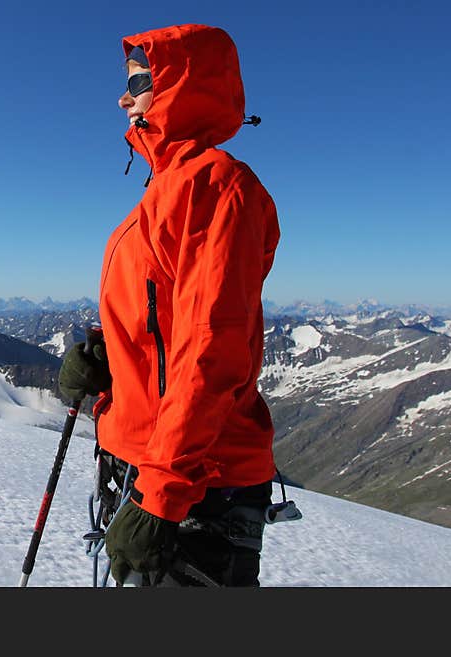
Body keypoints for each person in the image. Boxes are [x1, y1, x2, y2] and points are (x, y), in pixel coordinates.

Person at [59, 24, 280, 586]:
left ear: (184, 86)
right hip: (151, 470)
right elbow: (162, 324)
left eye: (139, 80)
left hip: (196, 487)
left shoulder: (217, 187)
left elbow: (214, 346)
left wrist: (161, 494)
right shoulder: (164, 192)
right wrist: (110, 358)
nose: (123, 97)